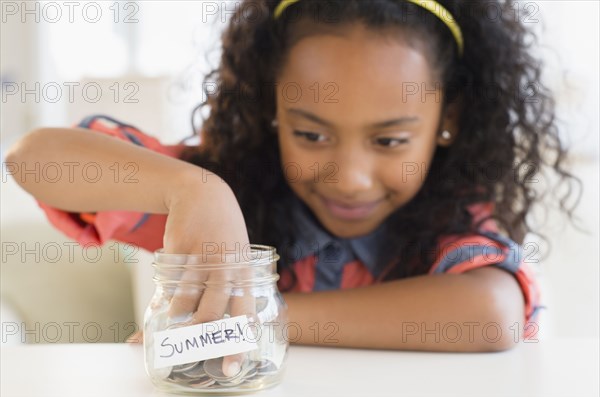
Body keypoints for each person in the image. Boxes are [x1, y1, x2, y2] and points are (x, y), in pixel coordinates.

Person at [8, 0, 578, 361]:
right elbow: (33, 159)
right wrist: (191, 190)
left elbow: (491, 314)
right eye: (312, 135)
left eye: (389, 141)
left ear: (447, 121)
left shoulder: (451, 216)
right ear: (273, 106)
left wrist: (252, 319)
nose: (350, 179)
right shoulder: (221, 187)